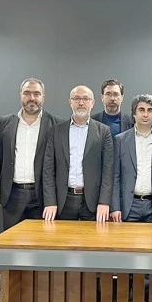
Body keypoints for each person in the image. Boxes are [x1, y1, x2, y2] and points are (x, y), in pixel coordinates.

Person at [0, 78, 62, 229]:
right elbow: (0, 158)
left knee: (42, 240)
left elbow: (59, 164)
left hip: (43, 197)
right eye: (27, 93)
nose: (32, 98)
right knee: (11, 240)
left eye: (36, 94)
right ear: (20, 95)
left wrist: (52, 199)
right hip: (13, 195)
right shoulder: (6, 122)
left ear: (43, 97)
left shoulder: (56, 124)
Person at [42, 85, 114, 222]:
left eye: (86, 99)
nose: (81, 103)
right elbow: (48, 169)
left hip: (92, 202)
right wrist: (50, 201)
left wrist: (104, 202)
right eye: (76, 99)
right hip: (63, 201)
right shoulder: (56, 131)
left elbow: (108, 170)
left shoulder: (103, 132)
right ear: (70, 102)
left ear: (92, 103)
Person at [111, 94, 152, 222]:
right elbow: (115, 176)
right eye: (141, 110)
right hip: (129, 205)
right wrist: (115, 207)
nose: (145, 114)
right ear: (134, 113)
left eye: (150, 110)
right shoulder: (120, 140)